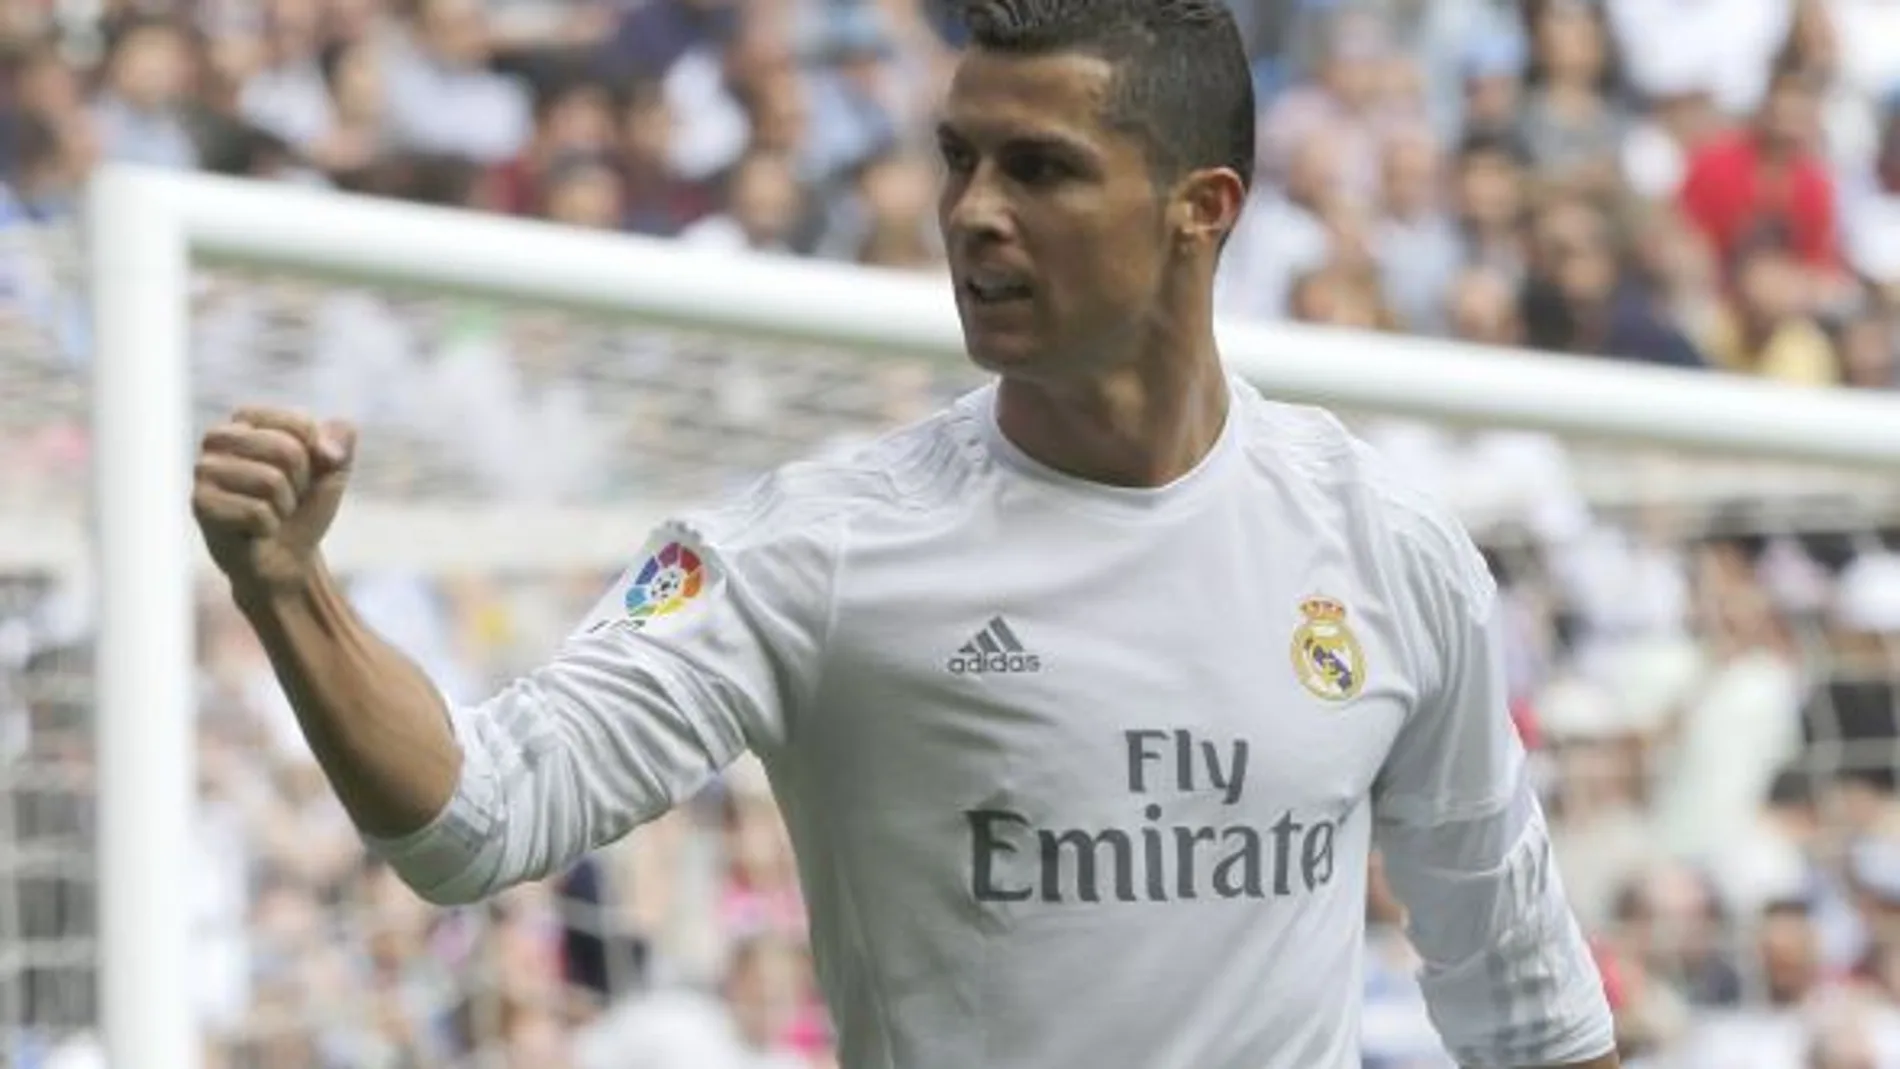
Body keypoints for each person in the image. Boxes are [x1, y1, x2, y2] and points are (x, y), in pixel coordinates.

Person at [189, 1, 1619, 1066]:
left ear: (1203, 211)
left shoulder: (1387, 549)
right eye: (956, 159)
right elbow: (480, 819)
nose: (971, 215)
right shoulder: (813, 551)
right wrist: (288, 588)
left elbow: (1526, 999)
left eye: (1040, 171)